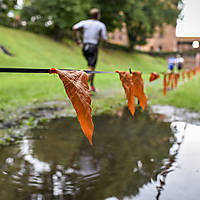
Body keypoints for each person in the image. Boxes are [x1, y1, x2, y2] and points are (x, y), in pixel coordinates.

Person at [73, 8, 107, 92]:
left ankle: (91, 86)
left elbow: (74, 28)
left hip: (85, 47)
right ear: (98, 15)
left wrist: (77, 40)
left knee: (92, 67)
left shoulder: (85, 22)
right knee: (91, 68)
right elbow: (104, 38)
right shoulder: (100, 25)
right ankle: (80, 85)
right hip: (93, 47)